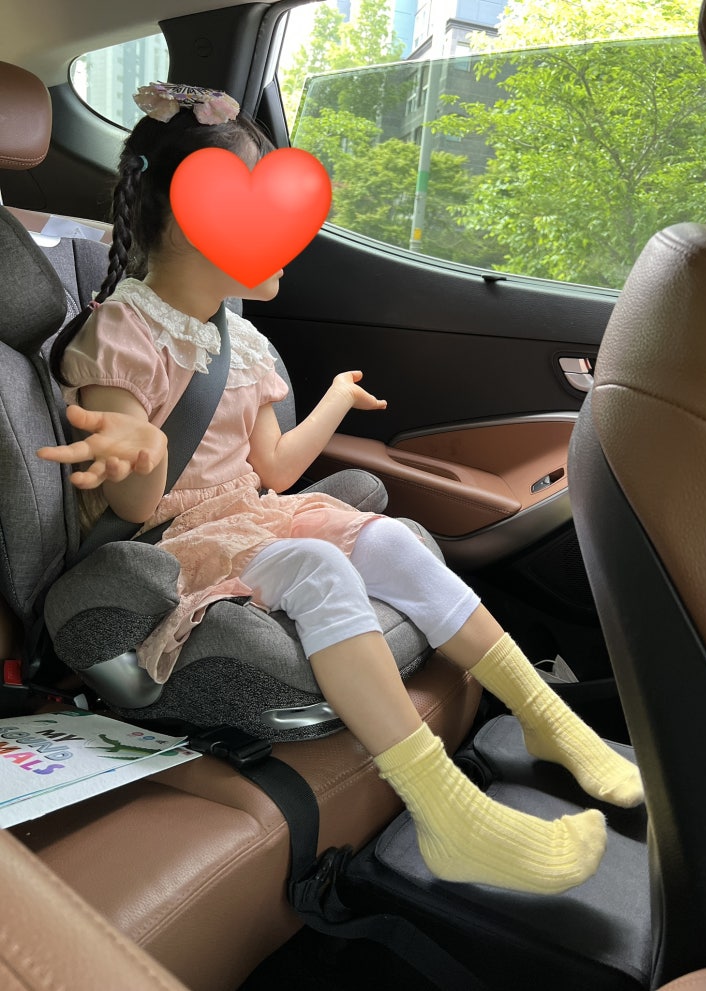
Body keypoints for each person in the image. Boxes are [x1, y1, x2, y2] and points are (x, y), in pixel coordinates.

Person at [39, 81, 642, 896]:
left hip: (250, 517)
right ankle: (448, 813)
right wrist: (141, 444)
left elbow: (275, 471)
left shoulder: (241, 341)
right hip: (169, 545)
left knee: (388, 537)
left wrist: (328, 400)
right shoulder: (122, 329)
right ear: (188, 218)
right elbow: (136, 506)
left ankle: (549, 719)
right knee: (318, 565)